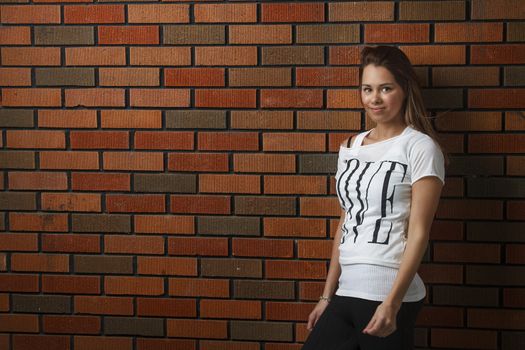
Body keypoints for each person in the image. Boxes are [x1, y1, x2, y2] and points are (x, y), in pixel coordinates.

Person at [301, 45, 447, 349]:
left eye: (385, 88)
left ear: (404, 89)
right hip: (346, 291)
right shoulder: (351, 147)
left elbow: (419, 232)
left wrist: (392, 304)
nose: (375, 98)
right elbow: (346, 221)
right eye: (367, 89)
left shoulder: (420, 147)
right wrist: (327, 296)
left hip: (388, 292)